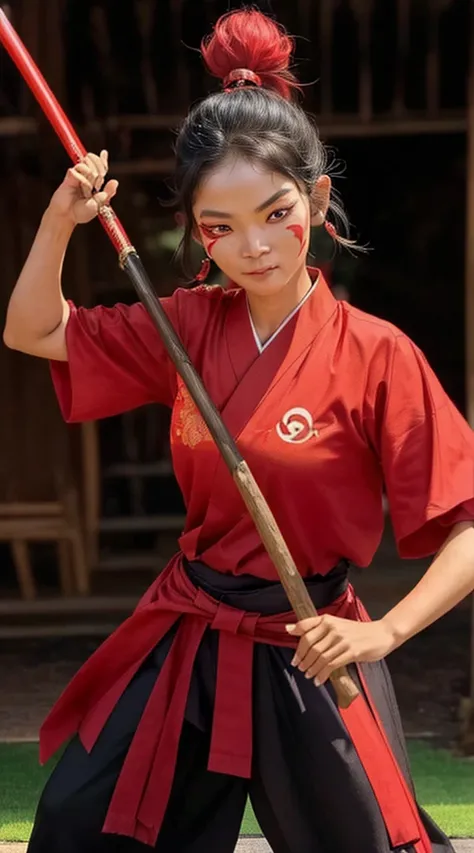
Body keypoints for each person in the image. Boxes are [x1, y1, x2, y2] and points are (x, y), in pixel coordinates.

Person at [4, 9, 474, 853]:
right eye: (219, 227)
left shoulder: (377, 355)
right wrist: (61, 220)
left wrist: (382, 631)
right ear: (196, 231)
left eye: (275, 212)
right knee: (82, 826)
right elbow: (35, 331)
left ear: (318, 198)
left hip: (313, 644)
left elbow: (468, 525)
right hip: (191, 627)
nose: (252, 246)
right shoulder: (184, 323)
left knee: (376, 842)